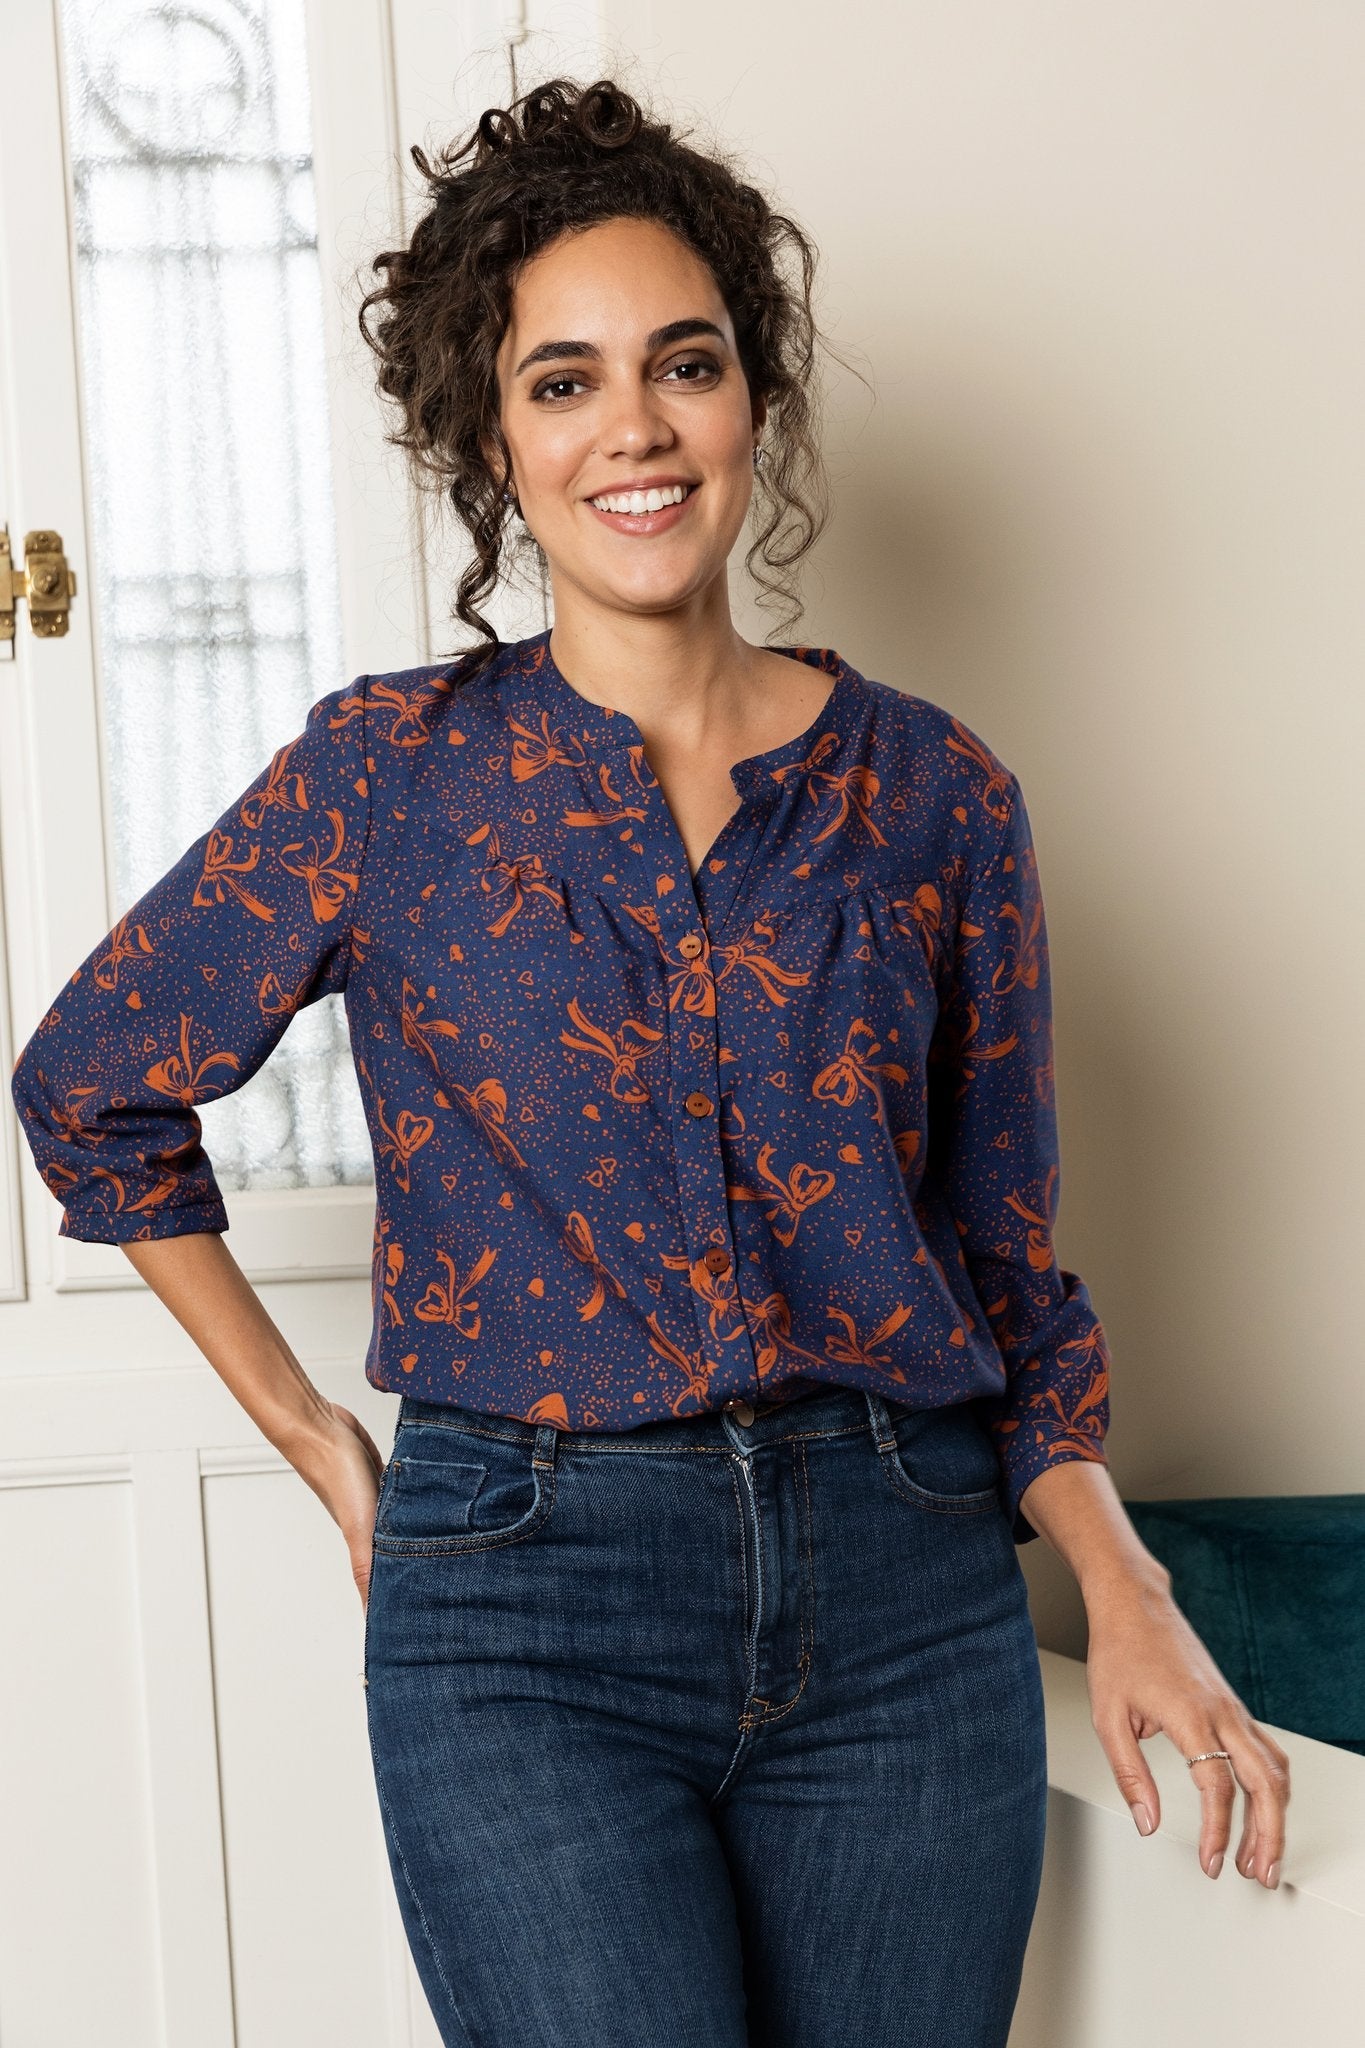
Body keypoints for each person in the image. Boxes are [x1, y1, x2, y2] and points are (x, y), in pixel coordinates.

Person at [10, 74, 1289, 2048]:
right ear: (490, 436)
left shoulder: (934, 796)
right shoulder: (387, 778)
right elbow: (90, 1083)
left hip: (904, 1590)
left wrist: (1122, 1584)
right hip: (523, 1611)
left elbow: (1005, 1263)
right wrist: (317, 1440)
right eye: (563, 381)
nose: (633, 426)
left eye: (682, 365)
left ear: (749, 400)